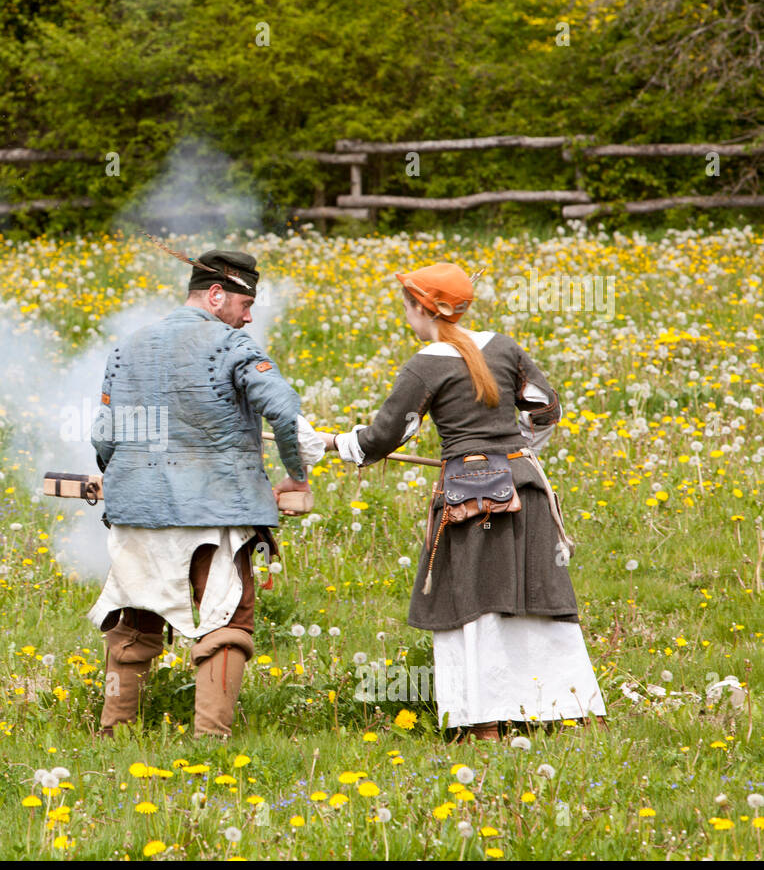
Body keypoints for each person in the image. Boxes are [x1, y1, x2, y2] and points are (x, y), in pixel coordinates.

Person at [325, 262, 607, 741]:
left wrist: (331, 443)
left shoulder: (425, 364)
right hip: (525, 489)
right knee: (538, 598)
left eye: (407, 306)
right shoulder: (503, 346)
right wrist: (510, 452)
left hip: (469, 502)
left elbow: (383, 438)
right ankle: (576, 711)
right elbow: (547, 408)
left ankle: (484, 724)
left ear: (422, 308)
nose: (406, 315)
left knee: (472, 604)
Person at [88, 248, 323, 738]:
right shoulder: (235, 347)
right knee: (228, 622)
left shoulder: (127, 347)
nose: (250, 314)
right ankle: (210, 741)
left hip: (138, 510)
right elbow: (281, 410)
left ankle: (114, 732)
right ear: (217, 295)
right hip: (214, 515)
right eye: (246, 301)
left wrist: (119, 477)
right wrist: (297, 476)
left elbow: (104, 437)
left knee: (133, 623)